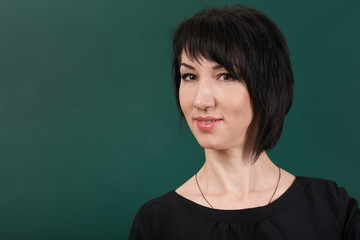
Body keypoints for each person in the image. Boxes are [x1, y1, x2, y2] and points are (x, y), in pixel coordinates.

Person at [128, 5, 360, 239]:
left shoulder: (332, 209)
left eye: (225, 76)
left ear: (268, 86)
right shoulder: (157, 223)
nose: (200, 100)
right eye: (190, 76)